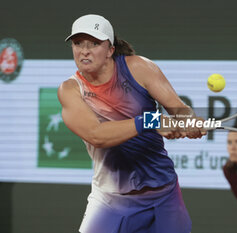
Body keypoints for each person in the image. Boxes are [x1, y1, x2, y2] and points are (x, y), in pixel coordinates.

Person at [58, 14, 205, 233]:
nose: (84, 51)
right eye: (78, 43)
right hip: (111, 200)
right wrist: (151, 121)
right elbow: (96, 135)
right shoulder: (70, 90)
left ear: (110, 50)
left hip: (164, 195)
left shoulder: (139, 68)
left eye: (94, 43)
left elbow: (178, 108)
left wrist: (189, 121)